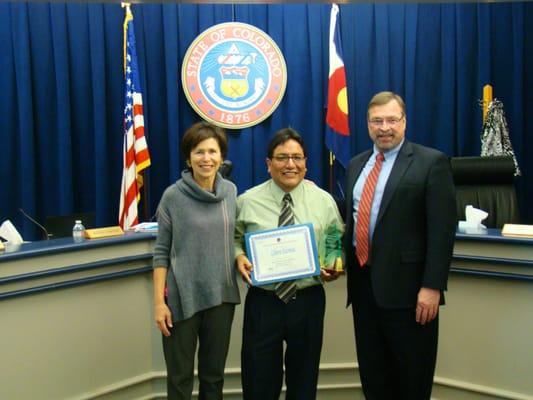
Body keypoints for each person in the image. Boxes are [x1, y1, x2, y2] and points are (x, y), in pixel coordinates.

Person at [344, 91, 456, 399]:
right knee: (374, 376)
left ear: (404, 122)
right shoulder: (356, 164)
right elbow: (352, 221)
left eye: (392, 120)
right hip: (364, 289)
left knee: (410, 380)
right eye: (377, 120)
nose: (384, 127)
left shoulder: (431, 162)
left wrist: (432, 286)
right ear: (367, 124)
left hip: (410, 294)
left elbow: (442, 231)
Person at [235, 127, 344, 400]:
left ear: (306, 163)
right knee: (259, 381)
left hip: (308, 300)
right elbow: (234, 239)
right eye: (282, 158)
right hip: (264, 302)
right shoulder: (246, 202)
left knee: (304, 381)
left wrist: (334, 264)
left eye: (297, 157)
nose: (290, 165)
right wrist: (238, 256)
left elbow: (334, 237)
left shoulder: (324, 201)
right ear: (268, 164)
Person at [152, 121, 240, 400]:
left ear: (222, 156)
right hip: (181, 299)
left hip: (222, 299)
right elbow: (161, 252)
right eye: (199, 152)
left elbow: (235, 239)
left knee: (213, 378)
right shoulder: (172, 196)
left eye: (213, 152)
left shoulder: (230, 193)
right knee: (179, 380)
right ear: (188, 157)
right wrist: (158, 303)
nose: (207, 158)